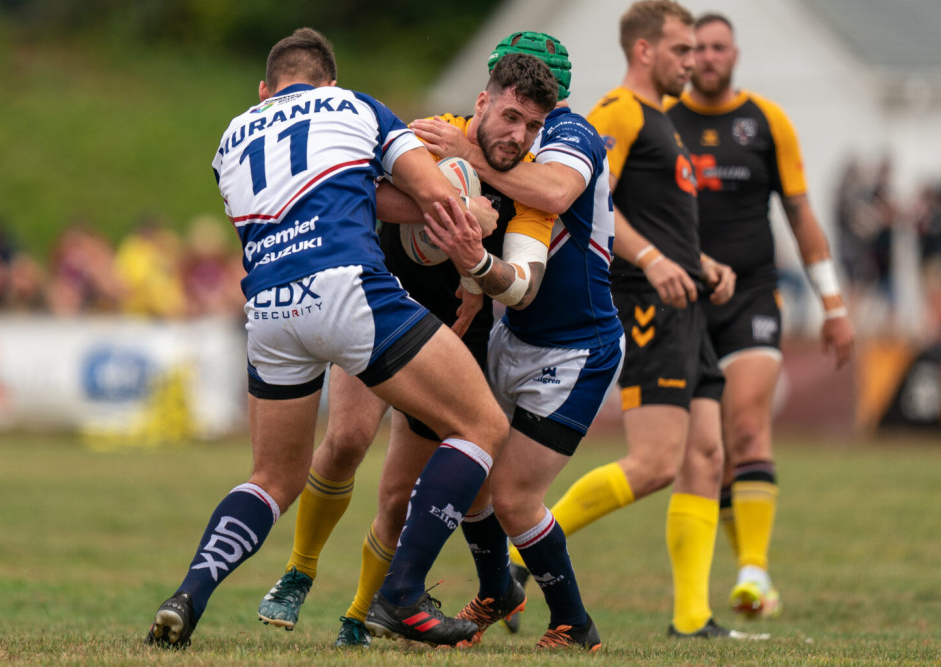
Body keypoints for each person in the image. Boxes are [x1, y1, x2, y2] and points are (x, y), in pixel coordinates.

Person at [144, 27, 509, 649]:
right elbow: (430, 193)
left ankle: (189, 594)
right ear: (329, 83)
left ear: (265, 92)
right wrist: (473, 212)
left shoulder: (231, 139)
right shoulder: (356, 106)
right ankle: (400, 595)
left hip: (268, 309)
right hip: (347, 289)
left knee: (272, 478)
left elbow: (334, 195)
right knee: (482, 426)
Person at [255, 51, 559, 649]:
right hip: (375, 305)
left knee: (398, 496)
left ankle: (359, 614)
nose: (516, 136)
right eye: (509, 117)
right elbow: (349, 186)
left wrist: (476, 275)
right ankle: (299, 569)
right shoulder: (425, 135)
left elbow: (523, 280)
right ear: (482, 103)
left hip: (450, 336)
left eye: (531, 127)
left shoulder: (526, 191)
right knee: (343, 441)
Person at [510, 1, 761, 640]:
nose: (693, 62)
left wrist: (699, 262)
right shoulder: (620, 110)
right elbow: (592, 205)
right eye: (682, 50)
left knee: (707, 455)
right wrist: (652, 260)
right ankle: (518, 555)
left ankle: (691, 618)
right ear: (646, 51)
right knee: (655, 463)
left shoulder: (661, 119)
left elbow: (651, 215)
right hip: (645, 305)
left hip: (684, 303)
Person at [414, 30, 626, 652]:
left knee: (512, 495)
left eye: (530, 110)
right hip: (516, 332)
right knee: (473, 466)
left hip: (575, 346)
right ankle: (496, 590)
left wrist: (471, 160)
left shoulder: (570, 134)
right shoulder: (493, 135)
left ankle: (573, 622)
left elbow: (556, 194)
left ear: (551, 94)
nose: (516, 126)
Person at [665, 12, 856, 619]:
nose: (710, 57)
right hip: (686, 301)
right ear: (686, 57)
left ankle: (750, 572)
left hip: (753, 295)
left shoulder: (768, 122)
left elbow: (801, 216)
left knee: (746, 427)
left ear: (735, 54)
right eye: (698, 48)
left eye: (720, 47)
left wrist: (833, 305)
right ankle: (755, 570)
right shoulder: (663, 122)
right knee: (709, 452)